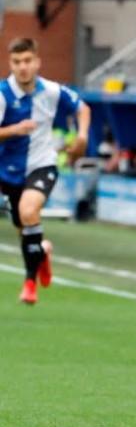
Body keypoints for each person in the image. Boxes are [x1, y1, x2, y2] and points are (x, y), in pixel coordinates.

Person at [0, 37, 89, 304]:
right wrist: (14, 130)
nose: (23, 67)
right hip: (8, 172)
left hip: (42, 164)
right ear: (10, 64)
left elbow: (83, 108)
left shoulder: (51, 90)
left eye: (27, 61)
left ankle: (29, 284)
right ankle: (43, 252)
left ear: (37, 62)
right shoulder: (3, 95)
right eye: (17, 62)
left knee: (29, 211)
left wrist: (82, 137)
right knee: (24, 225)